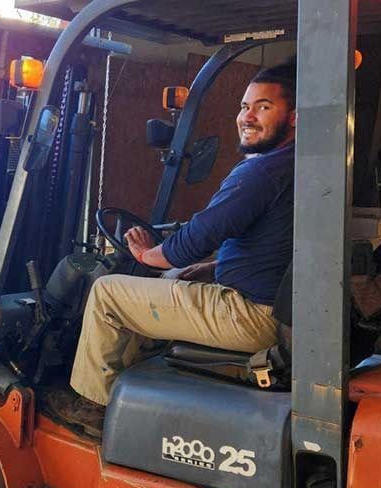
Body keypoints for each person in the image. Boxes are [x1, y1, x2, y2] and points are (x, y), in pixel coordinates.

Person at [65, 61, 297, 435]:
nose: (247, 116)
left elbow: (197, 238)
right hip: (267, 306)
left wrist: (148, 256)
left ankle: (93, 407)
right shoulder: (294, 167)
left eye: (263, 107)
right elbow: (268, 247)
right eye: (244, 106)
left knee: (107, 293)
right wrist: (208, 269)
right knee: (171, 279)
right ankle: (135, 385)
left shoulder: (262, 172)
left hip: (249, 315)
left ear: (294, 118)